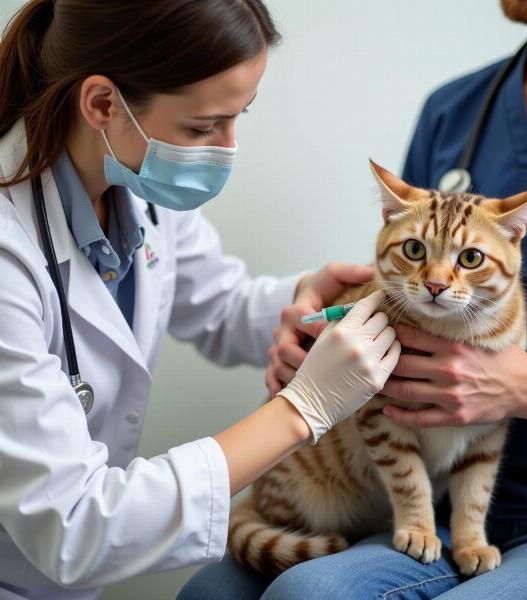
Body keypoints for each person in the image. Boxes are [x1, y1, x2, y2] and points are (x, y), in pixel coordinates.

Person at [180, 0, 527, 598]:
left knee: (312, 593)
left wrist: (521, 386)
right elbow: (404, 280)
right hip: (414, 484)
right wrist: (313, 329)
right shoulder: (454, 109)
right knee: (212, 593)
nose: (438, 277)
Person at [0, 1, 402, 599]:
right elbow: (74, 527)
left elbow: (217, 302)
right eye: (203, 127)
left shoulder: (135, 182)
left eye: (240, 116)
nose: (226, 149)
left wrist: (303, 299)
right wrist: (304, 409)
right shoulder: (10, 249)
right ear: (103, 104)